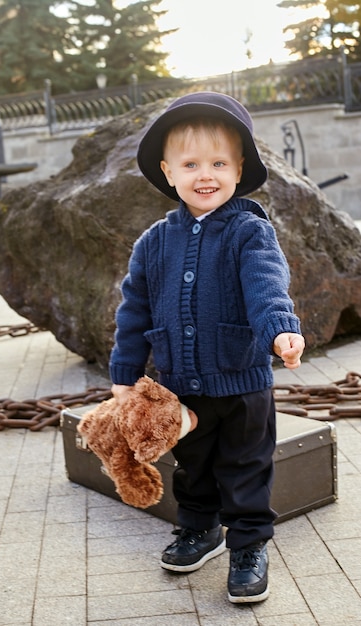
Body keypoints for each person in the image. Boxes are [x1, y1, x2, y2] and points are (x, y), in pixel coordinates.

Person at [109, 91, 305, 604]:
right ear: (167, 171)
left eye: (219, 162)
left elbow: (267, 287)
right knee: (193, 469)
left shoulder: (249, 232)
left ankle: (248, 546)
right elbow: (134, 312)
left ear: (240, 168)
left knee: (245, 469)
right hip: (180, 386)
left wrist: (281, 329)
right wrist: (125, 373)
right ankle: (200, 530)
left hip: (242, 381)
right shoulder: (153, 243)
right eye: (191, 163)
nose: (206, 174)